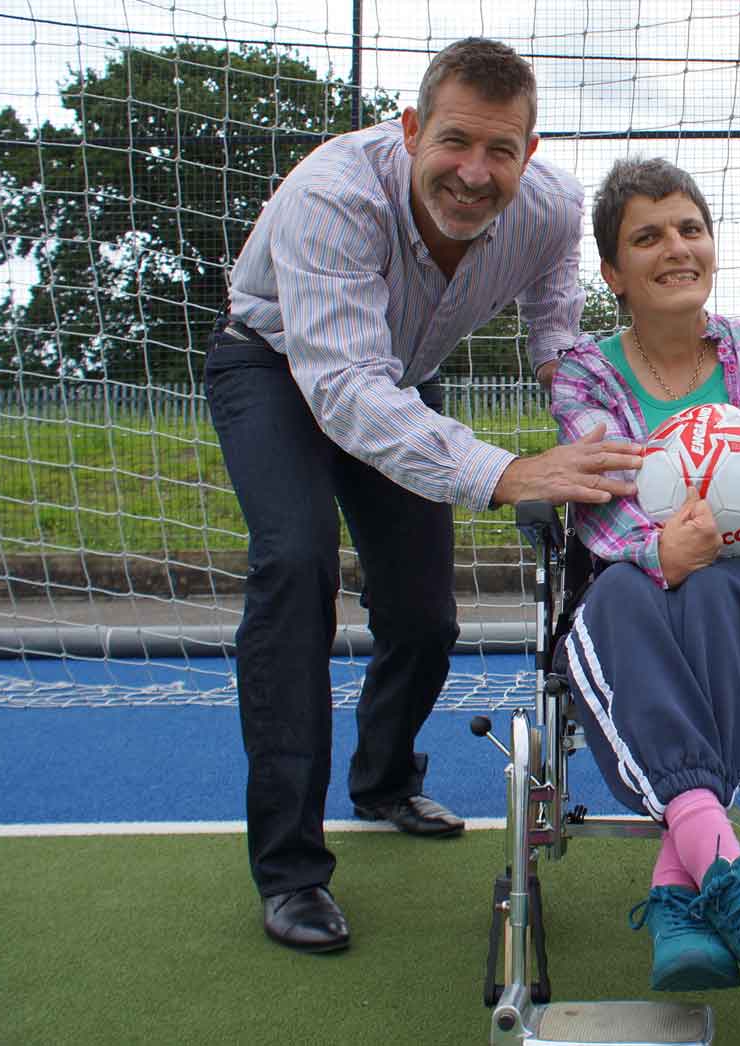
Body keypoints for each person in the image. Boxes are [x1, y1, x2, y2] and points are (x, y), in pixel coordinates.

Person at [204, 38, 643, 954]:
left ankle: (384, 779)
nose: (473, 173)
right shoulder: (332, 195)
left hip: (399, 380)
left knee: (424, 616)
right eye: (453, 143)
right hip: (282, 369)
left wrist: (594, 439)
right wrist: (507, 472)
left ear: (530, 147)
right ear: (410, 131)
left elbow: (559, 337)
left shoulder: (552, 212)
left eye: (501, 151)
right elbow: (344, 392)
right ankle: (289, 870)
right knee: (295, 565)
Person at [548, 157, 740, 1000]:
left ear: (711, 245)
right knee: (628, 591)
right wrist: (659, 553)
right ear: (612, 272)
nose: (676, 247)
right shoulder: (584, 373)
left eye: (689, 229)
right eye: (647, 236)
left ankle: (680, 896)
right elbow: (602, 493)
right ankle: (727, 878)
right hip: (635, 580)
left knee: (710, 588)